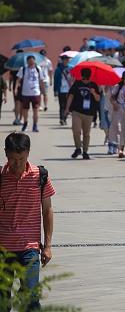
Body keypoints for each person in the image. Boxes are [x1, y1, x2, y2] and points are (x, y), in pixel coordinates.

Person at [0, 133, 55, 311]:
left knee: (30, 299)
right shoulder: (0, 177)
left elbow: (47, 210)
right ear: (5, 153)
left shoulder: (40, 176)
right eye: (12, 159)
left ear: (28, 153)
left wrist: (47, 246)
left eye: (21, 159)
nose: (16, 164)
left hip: (29, 249)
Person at [65, 68, 101, 160]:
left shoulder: (93, 85)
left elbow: (98, 99)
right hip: (77, 111)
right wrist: (67, 108)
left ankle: (85, 151)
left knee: (86, 133)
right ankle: (78, 148)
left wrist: (93, 93)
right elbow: (71, 96)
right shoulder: (77, 83)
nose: (85, 77)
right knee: (76, 130)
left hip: (89, 113)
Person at [17, 55, 46, 132]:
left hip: (36, 93)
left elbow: (41, 81)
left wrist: (43, 92)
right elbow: (18, 79)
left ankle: (35, 125)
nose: (31, 62)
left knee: (35, 109)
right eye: (29, 61)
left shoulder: (38, 69)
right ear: (27, 61)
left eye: (32, 61)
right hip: (25, 93)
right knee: (25, 109)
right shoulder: (23, 69)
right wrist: (16, 87)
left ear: (34, 61)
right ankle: (25, 123)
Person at [53, 55, 72, 125]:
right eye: (64, 59)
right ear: (62, 60)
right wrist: (55, 90)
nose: (66, 61)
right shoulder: (58, 69)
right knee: (62, 105)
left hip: (69, 90)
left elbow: (73, 78)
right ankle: (62, 119)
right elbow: (55, 80)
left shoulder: (70, 68)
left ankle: (65, 118)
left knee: (68, 106)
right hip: (61, 89)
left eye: (67, 60)